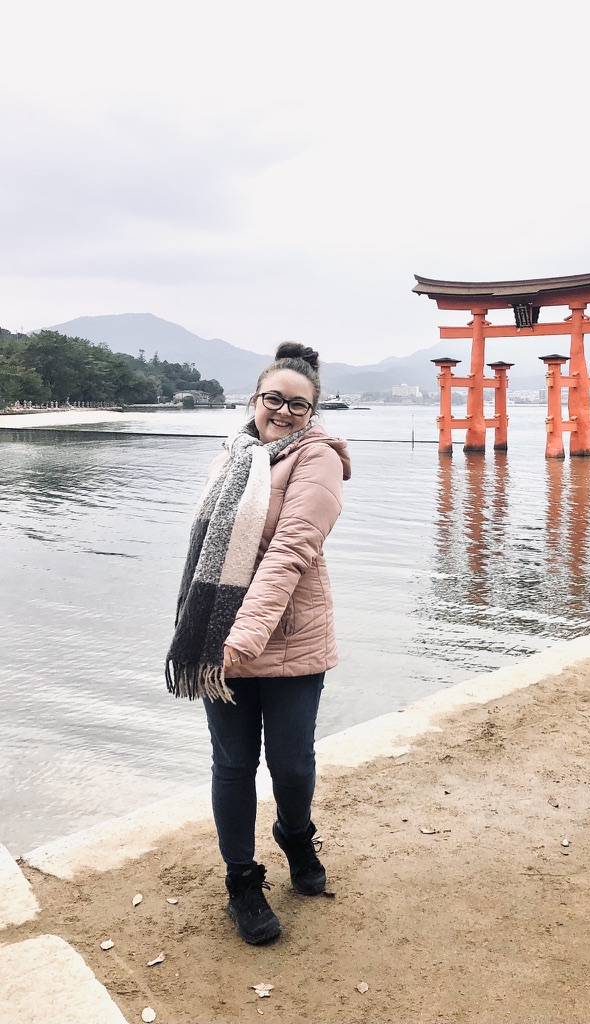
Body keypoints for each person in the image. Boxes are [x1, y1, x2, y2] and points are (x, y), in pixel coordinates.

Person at [165, 342, 351, 945]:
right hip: (223, 645)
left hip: (289, 641)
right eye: (275, 399)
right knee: (233, 764)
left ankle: (295, 834)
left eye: (299, 404)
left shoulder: (317, 458)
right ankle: (242, 881)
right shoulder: (235, 455)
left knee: (292, 763)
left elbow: (289, 551)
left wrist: (241, 638)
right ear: (255, 400)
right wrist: (215, 638)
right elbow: (205, 554)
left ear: (313, 410)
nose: (285, 411)